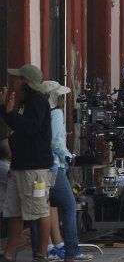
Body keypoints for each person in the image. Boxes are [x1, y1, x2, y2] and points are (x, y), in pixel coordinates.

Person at [0, 64, 54, 262]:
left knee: (40, 210)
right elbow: (15, 125)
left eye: (17, 79)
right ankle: (10, 251)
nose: (13, 83)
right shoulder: (23, 103)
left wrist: (11, 113)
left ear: (25, 82)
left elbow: (29, 128)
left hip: (35, 168)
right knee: (14, 211)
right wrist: (6, 110)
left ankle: (41, 252)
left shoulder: (38, 102)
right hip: (19, 166)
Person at [41, 81, 92, 262]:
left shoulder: (40, 113)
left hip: (42, 166)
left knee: (47, 206)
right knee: (69, 206)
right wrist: (68, 156)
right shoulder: (55, 114)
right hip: (55, 165)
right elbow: (56, 142)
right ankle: (72, 250)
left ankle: (49, 247)